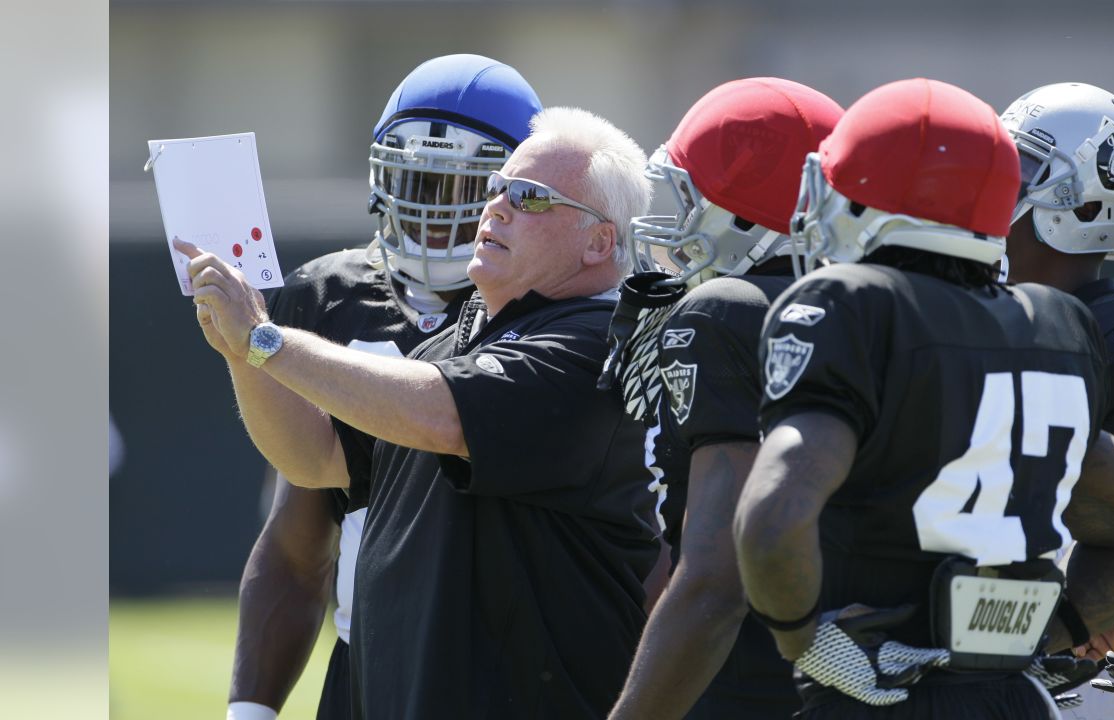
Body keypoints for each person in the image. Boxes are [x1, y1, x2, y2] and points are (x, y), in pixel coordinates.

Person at [179, 105, 658, 719]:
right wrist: (241, 352)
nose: (498, 207)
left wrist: (266, 341)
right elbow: (318, 460)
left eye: (531, 197)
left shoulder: (596, 342)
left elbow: (444, 416)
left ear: (599, 241)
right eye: (498, 187)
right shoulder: (456, 339)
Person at [732, 78, 1114, 719]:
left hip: (871, 695)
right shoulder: (1054, 325)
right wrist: (1023, 641)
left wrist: (806, 642)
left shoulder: (851, 309)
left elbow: (771, 521)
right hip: (1011, 699)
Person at [225, 54, 543, 720]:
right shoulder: (328, 295)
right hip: (369, 661)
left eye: (458, 190)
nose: (432, 214)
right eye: (415, 183)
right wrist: (250, 711)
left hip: (520, 672)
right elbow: (299, 535)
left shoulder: (555, 306)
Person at [607, 78, 842, 720]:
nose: (674, 223)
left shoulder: (727, 312)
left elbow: (716, 582)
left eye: (693, 198)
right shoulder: (876, 316)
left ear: (748, 218)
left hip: (754, 687)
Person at [999, 83, 1114, 718]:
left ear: (1086, 202)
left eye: (1020, 172)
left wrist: (1084, 598)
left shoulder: (1063, 334)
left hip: (1111, 673)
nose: (993, 188)